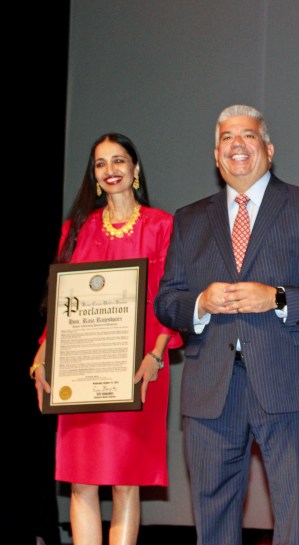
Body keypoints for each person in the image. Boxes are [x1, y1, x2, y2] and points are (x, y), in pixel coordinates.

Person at [154, 104, 299, 545]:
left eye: (249, 136)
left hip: (289, 383)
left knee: (297, 519)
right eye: (226, 139)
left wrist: (276, 298)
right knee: (213, 522)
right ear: (216, 156)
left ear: (269, 149)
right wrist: (199, 302)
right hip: (209, 392)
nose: (237, 145)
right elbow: (167, 302)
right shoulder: (189, 218)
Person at [31, 133, 182, 545]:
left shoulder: (162, 225)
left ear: (135, 170)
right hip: (82, 369)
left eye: (119, 161)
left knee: (125, 479)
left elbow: (174, 297)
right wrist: (43, 355)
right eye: (101, 164)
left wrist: (156, 354)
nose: (111, 170)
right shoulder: (76, 229)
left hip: (140, 369)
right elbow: (62, 302)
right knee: (81, 480)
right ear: (94, 176)